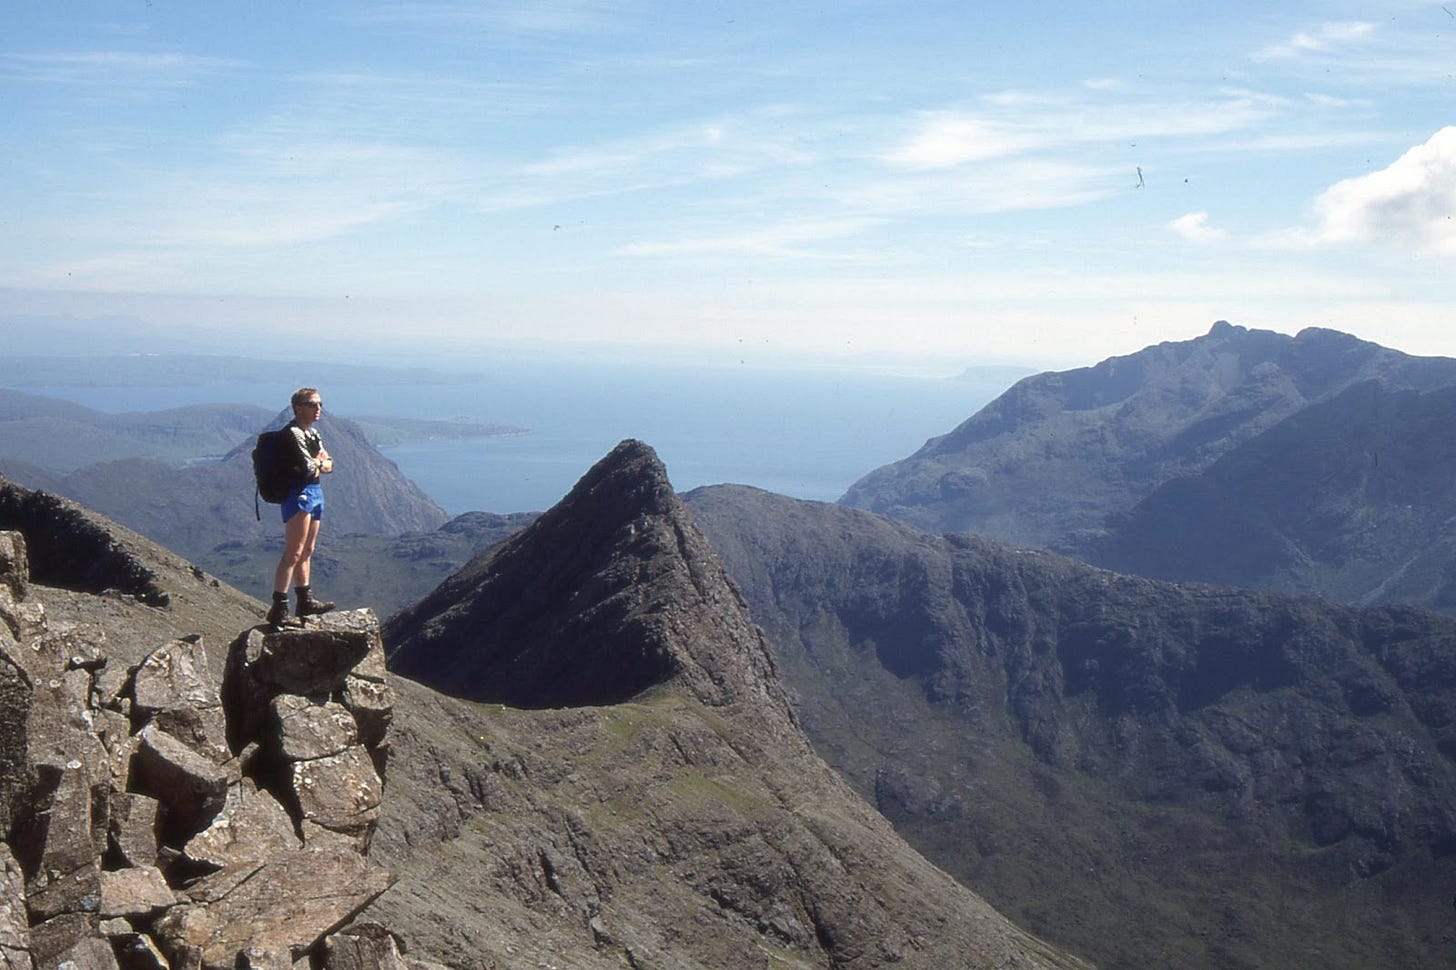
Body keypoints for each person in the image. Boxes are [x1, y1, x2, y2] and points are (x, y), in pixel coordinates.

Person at [267, 387, 336, 626]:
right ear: (298, 407)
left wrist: (319, 463)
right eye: (312, 404)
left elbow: (329, 464)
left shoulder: (313, 434)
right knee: (293, 552)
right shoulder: (292, 434)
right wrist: (319, 463)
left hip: (315, 492)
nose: (318, 409)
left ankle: (305, 600)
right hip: (299, 494)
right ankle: (279, 607)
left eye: (319, 404)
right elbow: (311, 467)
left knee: (308, 550)